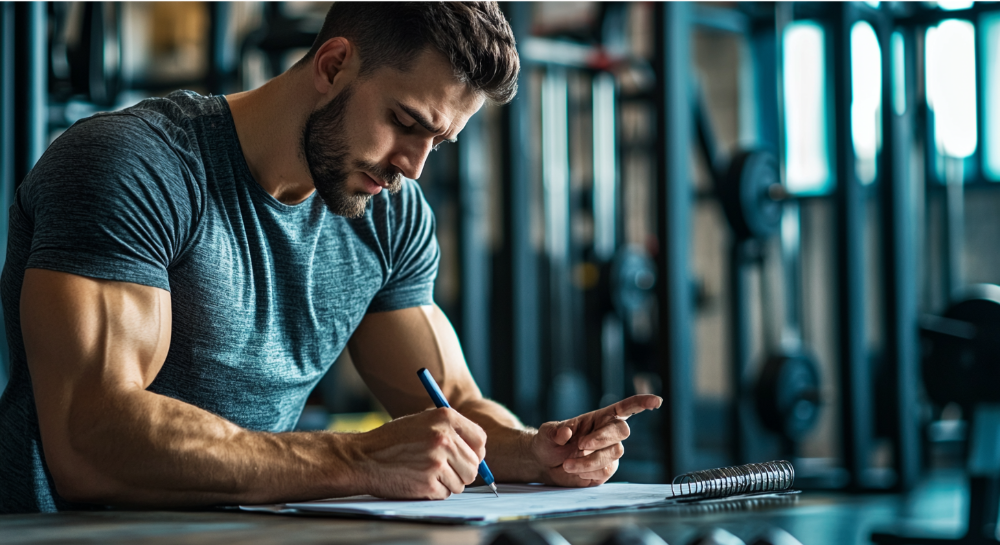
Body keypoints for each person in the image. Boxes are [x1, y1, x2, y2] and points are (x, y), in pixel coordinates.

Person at [0, 1, 661, 514]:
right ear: (332, 65)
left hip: (237, 540)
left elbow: (453, 400)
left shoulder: (388, 213)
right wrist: (356, 456)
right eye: (405, 122)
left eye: (440, 141)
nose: (413, 167)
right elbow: (89, 438)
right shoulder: (136, 166)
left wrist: (534, 451)